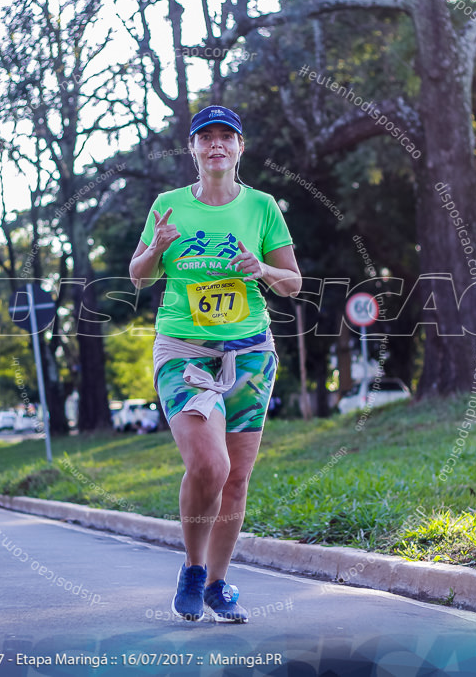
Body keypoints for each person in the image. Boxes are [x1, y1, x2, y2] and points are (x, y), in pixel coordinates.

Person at [129, 105, 301, 623]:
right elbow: (137, 276)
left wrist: (263, 267)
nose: (216, 146)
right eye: (206, 138)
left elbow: (293, 283)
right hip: (183, 351)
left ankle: (219, 584)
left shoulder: (263, 207)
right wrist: (155, 249)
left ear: (240, 147)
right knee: (210, 465)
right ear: (193, 149)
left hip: (249, 352)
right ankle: (192, 567)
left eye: (227, 137)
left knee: (237, 479)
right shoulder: (168, 205)